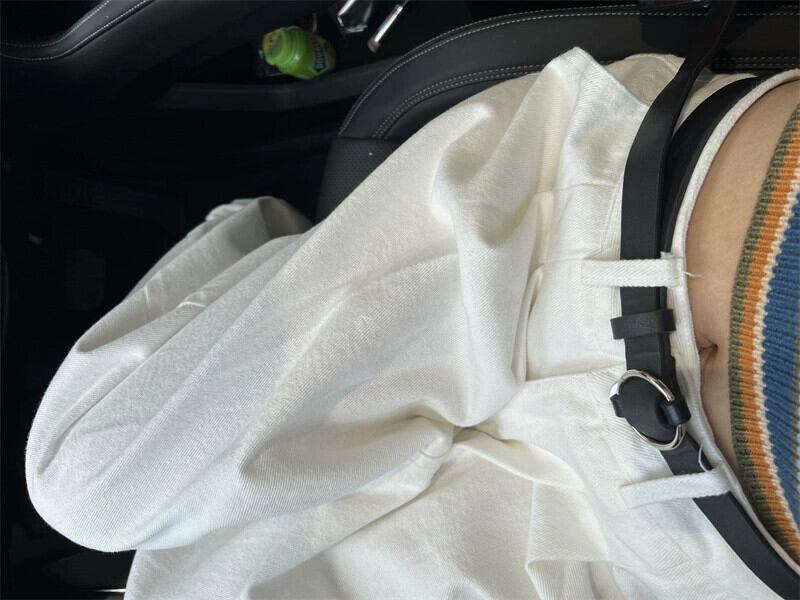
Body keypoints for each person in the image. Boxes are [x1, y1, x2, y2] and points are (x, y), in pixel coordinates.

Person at [24, 46, 799, 598]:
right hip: (679, 539)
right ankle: (269, 249)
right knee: (88, 489)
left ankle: (279, 251)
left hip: (576, 251)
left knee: (87, 492)